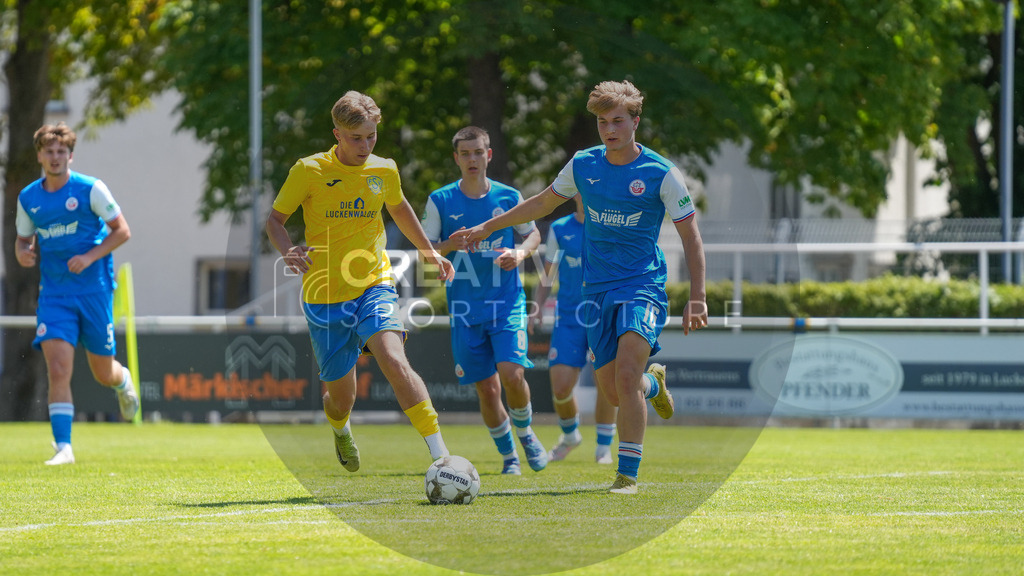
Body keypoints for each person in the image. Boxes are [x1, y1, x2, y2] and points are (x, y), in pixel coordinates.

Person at [451, 81, 708, 494]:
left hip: (642, 286)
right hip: (595, 292)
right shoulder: (583, 164)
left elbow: (691, 236)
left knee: (625, 375)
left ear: (635, 122)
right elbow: (541, 203)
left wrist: (697, 297)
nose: (610, 129)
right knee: (616, 389)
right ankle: (654, 384)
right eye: (603, 122)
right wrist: (487, 226)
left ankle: (627, 474)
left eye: (618, 121)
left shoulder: (661, 172)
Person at [266, 91, 454, 472]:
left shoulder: (384, 169)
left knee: (393, 358)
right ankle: (340, 429)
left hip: (374, 283)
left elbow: (399, 207)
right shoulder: (309, 170)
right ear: (337, 134)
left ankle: (442, 457)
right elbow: (274, 221)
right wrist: (287, 250)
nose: (366, 145)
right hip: (324, 295)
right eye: (356, 138)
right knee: (341, 399)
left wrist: (428, 251)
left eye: (371, 136)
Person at [420, 126, 548, 475]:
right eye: (465, 153)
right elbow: (425, 250)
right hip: (464, 309)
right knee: (488, 389)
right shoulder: (441, 200)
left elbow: (533, 233)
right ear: (456, 158)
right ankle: (509, 458)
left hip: (506, 303)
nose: (472, 159)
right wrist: (449, 245)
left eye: (478, 152)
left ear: (489, 155)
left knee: (511, 374)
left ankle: (526, 434)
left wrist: (520, 254)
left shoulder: (508, 196)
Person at [15, 122, 139, 466]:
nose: (55, 157)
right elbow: (23, 239)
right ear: (39, 155)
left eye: (61, 151)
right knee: (57, 368)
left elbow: (122, 231)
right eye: (48, 151)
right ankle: (64, 448)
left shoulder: (90, 189)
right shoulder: (28, 198)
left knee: (103, 373)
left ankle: (122, 379)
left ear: (70, 155)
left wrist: (88, 257)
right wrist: (22, 252)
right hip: (54, 294)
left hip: (94, 290)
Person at [528, 194, 618, 464]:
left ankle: (603, 447)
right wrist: (537, 307)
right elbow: (548, 274)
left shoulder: (611, 225)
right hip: (568, 317)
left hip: (603, 314)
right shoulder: (560, 228)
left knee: (607, 383)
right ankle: (570, 436)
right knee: (561, 387)